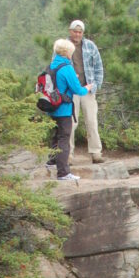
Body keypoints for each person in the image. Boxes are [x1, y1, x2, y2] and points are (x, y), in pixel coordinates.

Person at [46, 39, 91, 182]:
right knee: (64, 139)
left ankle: (51, 162)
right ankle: (63, 173)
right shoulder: (67, 68)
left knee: (55, 136)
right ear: (67, 52)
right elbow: (78, 90)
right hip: (64, 109)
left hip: (52, 107)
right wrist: (88, 88)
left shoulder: (52, 65)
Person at [67, 19, 104, 163]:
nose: (77, 34)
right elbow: (55, 66)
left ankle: (96, 153)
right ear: (70, 31)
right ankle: (68, 154)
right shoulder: (63, 46)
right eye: (75, 31)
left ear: (83, 33)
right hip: (71, 91)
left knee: (91, 121)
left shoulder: (90, 46)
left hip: (87, 89)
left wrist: (95, 85)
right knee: (70, 122)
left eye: (80, 32)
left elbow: (99, 67)